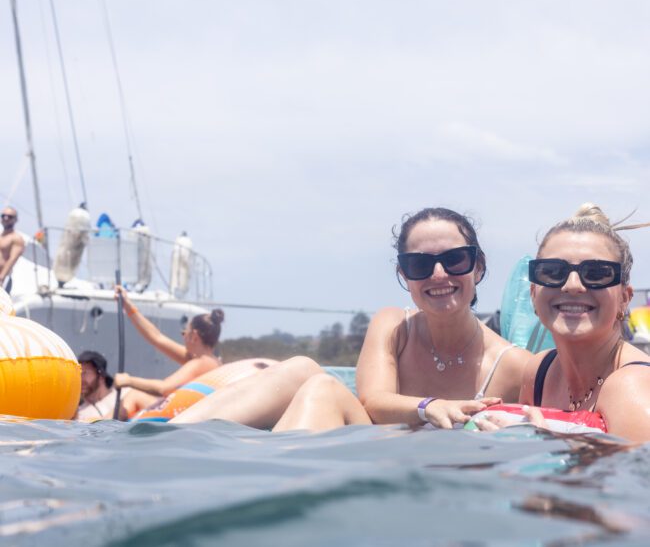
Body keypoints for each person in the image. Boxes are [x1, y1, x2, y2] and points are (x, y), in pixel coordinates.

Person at [172, 207, 530, 430]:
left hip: (444, 487)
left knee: (322, 386)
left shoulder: (512, 364)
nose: (438, 274)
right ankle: (172, 437)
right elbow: (373, 402)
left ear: (478, 266)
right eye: (419, 264)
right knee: (310, 375)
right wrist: (430, 407)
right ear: (405, 276)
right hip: (378, 457)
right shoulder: (394, 326)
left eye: (455, 260)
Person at [475, 204, 650, 442]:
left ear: (624, 299)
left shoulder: (632, 386)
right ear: (534, 294)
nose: (572, 285)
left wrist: (545, 448)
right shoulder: (539, 373)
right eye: (553, 272)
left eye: (597, 273)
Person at [113, 285, 224, 418]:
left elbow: (164, 388)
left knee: (133, 396)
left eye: (185, 332)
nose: (183, 335)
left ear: (194, 336)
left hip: (190, 418)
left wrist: (128, 380)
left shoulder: (200, 363)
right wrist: (128, 306)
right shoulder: (209, 361)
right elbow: (157, 338)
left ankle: (97, 426)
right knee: (135, 397)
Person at [76, 350, 127, 420]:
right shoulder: (78, 414)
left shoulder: (125, 395)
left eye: (85, 373)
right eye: (78, 374)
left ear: (101, 376)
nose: (80, 378)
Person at [0, 206, 25, 293]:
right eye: (3, 215)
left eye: (10, 216)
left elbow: (12, 259)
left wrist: (2, 277)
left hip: (3, 278)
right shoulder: (1, 236)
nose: (6, 218)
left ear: (15, 220)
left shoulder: (16, 238)